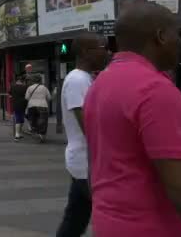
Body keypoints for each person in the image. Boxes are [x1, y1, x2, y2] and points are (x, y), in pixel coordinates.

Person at [84, 1, 181, 236]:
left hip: (109, 224)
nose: (180, 42)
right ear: (160, 36)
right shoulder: (155, 90)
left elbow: (95, 166)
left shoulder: (100, 84)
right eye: (177, 34)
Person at [56, 32, 108, 237]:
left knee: (76, 218)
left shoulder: (85, 78)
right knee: (110, 215)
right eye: (102, 48)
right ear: (87, 52)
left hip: (84, 161)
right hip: (85, 162)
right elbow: (88, 124)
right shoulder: (78, 80)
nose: (107, 52)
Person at [25, 74, 51, 143]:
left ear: (33, 80)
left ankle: (37, 132)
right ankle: (42, 135)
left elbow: (27, 98)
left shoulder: (30, 88)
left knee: (33, 121)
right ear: (40, 80)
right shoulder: (44, 88)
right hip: (43, 106)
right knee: (43, 121)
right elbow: (49, 98)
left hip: (32, 106)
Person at [9, 76, 28, 142]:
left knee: (18, 119)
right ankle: (18, 134)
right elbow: (27, 96)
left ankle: (17, 134)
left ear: (16, 81)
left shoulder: (12, 87)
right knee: (21, 119)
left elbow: (10, 95)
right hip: (23, 105)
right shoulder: (25, 87)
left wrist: (13, 97)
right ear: (22, 81)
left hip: (16, 105)